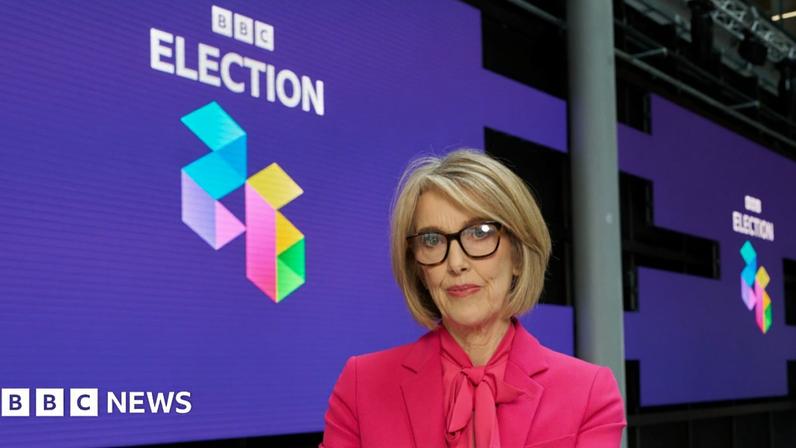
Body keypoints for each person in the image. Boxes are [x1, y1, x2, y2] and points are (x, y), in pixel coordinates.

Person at [321, 149, 626, 447]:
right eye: (431, 240)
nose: (456, 263)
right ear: (418, 267)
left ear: (518, 254)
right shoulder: (361, 385)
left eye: (479, 233)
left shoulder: (590, 392)